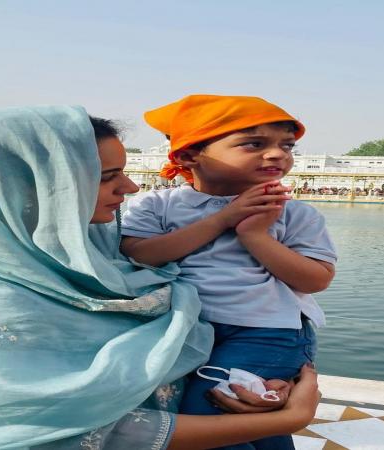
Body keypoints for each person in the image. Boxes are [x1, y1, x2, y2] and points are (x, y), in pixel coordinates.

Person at [0, 106, 320, 449]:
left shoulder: (96, 259)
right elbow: (90, 434)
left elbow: (177, 356)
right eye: (107, 176)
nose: (132, 187)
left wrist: (259, 382)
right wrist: (279, 421)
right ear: (31, 187)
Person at [120, 95, 336, 449]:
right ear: (189, 155)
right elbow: (140, 255)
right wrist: (223, 219)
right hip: (186, 330)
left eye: (287, 145)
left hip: (265, 332)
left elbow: (316, 279)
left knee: (211, 410)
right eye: (254, 144)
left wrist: (253, 235)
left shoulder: (294, 213)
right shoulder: (157, 204)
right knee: (253, 421)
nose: (277, 154)